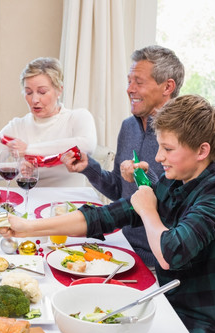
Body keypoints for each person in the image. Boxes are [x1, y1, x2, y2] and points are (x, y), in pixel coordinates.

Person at [0, 95, 215, 333]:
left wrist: (147, 210)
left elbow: (171, 253)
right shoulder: (175, 181)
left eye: (168, 150)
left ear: (202, 151)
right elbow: (105, 217)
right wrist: (27, 228)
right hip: (174, 314)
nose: (159, 158)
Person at [62, 45, 185, 267]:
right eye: (129, 82)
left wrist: (144, 179)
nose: (130, 89)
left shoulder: (185, 135)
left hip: (159, 261)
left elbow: (178, 208)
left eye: (139, 82)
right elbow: (120, 191)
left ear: (167, 86)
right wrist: (89, 167)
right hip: (124, 248)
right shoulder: (129, 127)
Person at [0, 57, 97, 187]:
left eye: (42, 92)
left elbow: (87, 145)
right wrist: (17, 167)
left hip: (71, 204)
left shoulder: (77, 117)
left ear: (59, 90)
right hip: (28, 203)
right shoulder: (17, 126)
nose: (34, 99)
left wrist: (28, 150)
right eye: (28, 92)